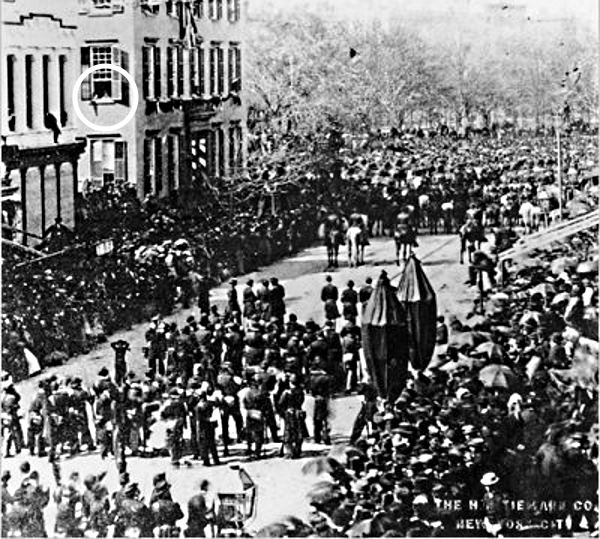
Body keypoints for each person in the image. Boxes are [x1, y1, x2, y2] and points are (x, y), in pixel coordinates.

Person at [278, 374, 306, 459]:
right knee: (299, 433)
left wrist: (282, 412)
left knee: (288, 433)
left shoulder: (286, 392)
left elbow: (280, 403)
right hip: (298, 412)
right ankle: (297, 451)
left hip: (289, 413)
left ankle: (290, 452)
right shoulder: (301, 391)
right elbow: (302, 401)